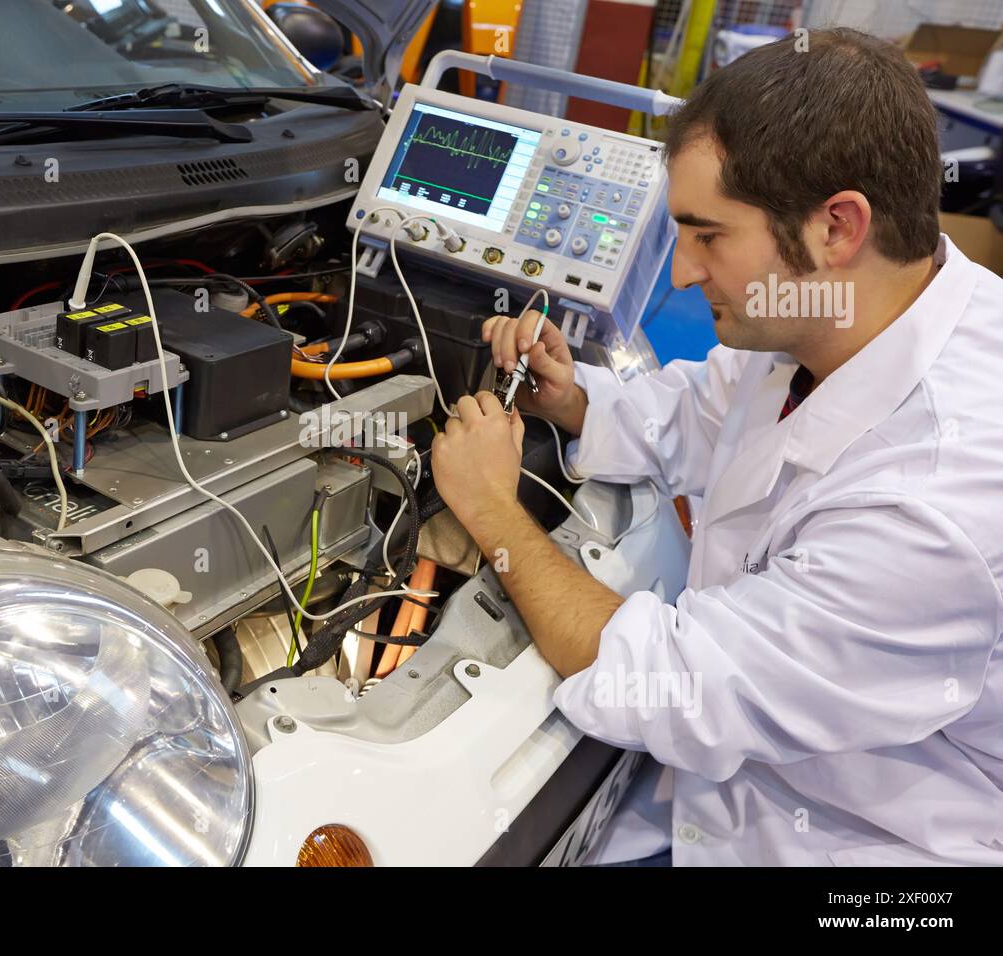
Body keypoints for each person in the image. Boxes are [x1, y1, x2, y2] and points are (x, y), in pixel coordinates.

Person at [429, 28, 1003, 865]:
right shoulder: (857, 310)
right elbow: (706, 408)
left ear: (838, 226)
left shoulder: (933, 498)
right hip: (731, 788)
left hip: (864, 848)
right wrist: (577, 398)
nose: (685, 275)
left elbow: (673, 685)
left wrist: (491, 515)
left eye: (708, 236)